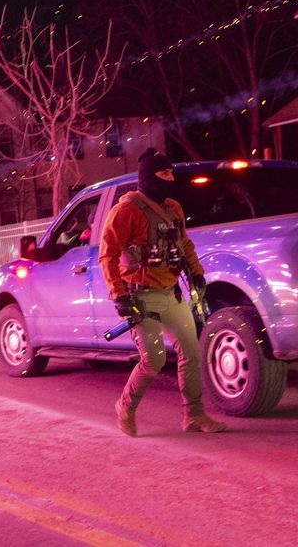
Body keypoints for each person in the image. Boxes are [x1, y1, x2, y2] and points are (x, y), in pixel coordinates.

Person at [99, 148, 227, 436]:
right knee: (154, 360)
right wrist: (118, 295)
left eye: (171, 172)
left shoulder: (173, 208)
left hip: (172, 294)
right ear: (148, 177)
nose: (170, 178)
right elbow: (108, 255)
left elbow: (184, 243)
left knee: (192, 354)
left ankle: (194, 415)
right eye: (164, 173)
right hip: (140, 299)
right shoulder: (126, 211)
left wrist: (196, 273)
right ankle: (125, 406)